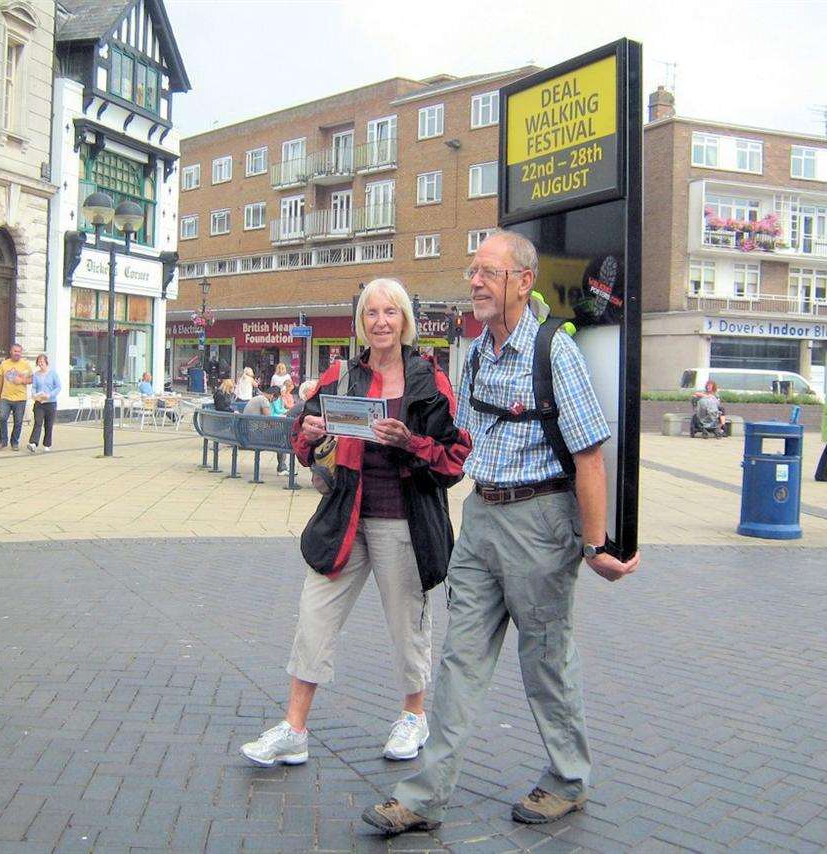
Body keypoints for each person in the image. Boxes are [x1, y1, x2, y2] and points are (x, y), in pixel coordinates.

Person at [363, 231, 640, 835]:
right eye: (473, 271)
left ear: (523, 281)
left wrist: (594, 545)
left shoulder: (553, 353)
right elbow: (467, 437)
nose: (475, 281)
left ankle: (568, 779)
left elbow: (591, 453)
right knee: (460, 659)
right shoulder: (479, 350)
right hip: (482, 517)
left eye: (488, 271)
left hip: (540, 524)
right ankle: (424, 796)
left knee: (544, 659)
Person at [240, 278, 470, 769]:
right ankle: (295, 728)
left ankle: (413, 715)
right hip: (345, 516)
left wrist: (410, 442)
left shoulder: (429, 382)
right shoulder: (342, 377)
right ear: (361, 322)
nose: (381, 322)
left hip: (403, 520)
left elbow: (454, 460)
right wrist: (309, 429)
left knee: (408, 625)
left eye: (390, 312)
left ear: (404, 320)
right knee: (314, 616)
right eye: (372, 313)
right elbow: (301, 440)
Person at [0, 343, 32, 451]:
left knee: (18, 421)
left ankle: (14, 442)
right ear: (11, 351)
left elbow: (32, 379)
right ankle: (3, 441)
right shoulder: (4, 364)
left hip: (20, 398)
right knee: (2, 418)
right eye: (15, 351)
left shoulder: (25, 365)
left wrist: (22, 380)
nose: (17, 353)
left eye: (19, 351)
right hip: (6, 397)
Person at [26, 353, 61, 453]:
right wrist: (34, 395)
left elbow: (58, 387)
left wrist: (49, 395)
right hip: (39, 403)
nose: (40, 363)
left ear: (46, 362)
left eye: (42, 361)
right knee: (38, 422)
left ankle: (47, 444)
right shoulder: (36, 375)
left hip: (50, 402)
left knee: (49, 424)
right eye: (39, 362)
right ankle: (33, 443)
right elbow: (34, 387)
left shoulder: (53, 373)